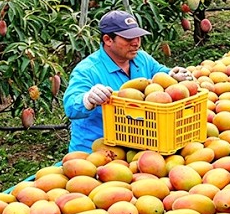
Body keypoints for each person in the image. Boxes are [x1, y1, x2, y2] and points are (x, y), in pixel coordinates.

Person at [62, 10, 193, 154]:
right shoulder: (88, 70)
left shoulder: (141, 59)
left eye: (138, 36)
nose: (136, 43)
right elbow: (71, 105)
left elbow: (160, 72)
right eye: (128, 38)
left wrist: (173, 74)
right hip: (97, 150)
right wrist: (87, 99)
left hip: (138, 144)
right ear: (108, 40)